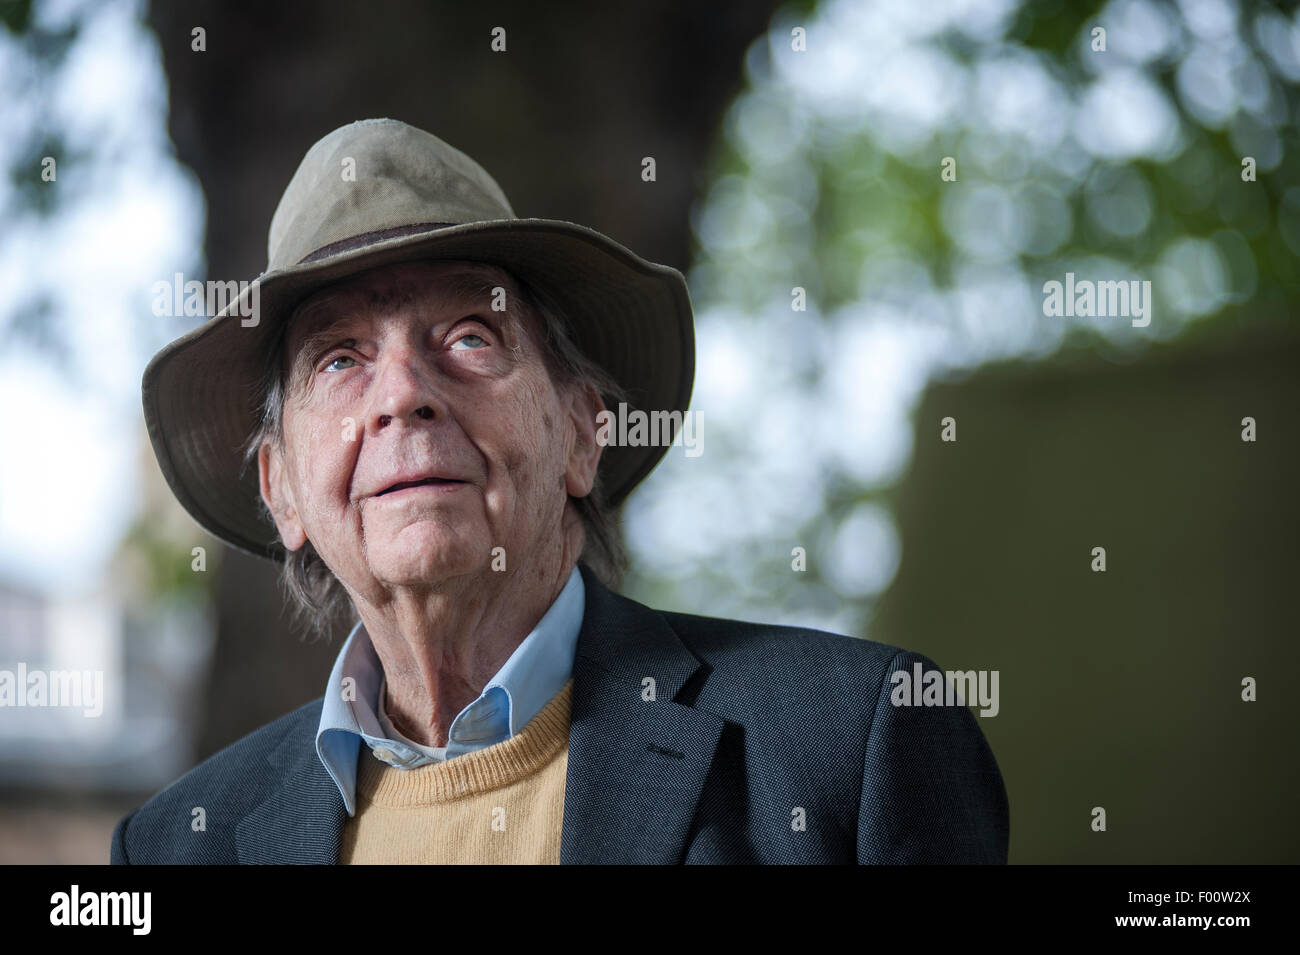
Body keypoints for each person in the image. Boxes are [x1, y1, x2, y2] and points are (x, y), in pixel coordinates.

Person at [111, 118, 1009, 864]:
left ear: (582, 431)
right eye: (339, 359)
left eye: (469, 335)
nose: (402, 394)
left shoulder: (852, 744)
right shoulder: (174, 847)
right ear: (283, 491)